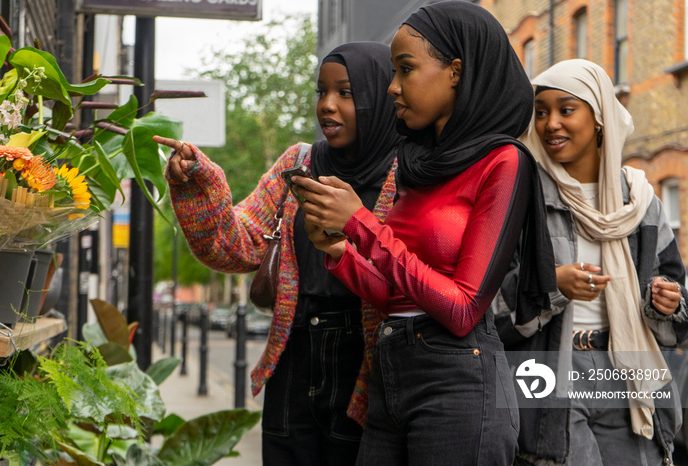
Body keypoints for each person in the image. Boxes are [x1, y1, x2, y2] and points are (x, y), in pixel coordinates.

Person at [291, 2, 557, 465]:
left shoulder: (503, 162)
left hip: (457, 383)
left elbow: (461, 308)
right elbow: (395, 295)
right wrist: (338, 251)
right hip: (391, 369)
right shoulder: (418, 163)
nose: (393, 86)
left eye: (406, 69)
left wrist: (361, 224)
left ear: (456, 71)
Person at [153, 41, 403, 466]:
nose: (327, 105)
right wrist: (199, 183)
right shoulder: (299, 162)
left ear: (380, 96)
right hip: (294, 358)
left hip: (366, 366)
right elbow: (237, 242)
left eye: (345, 93)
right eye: (321, 92)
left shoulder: (409, 174)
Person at [492, 58, 688, 465]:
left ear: (599, 117)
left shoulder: (640, 201)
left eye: (566, 110)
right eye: (541, 112)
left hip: (624, 368)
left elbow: (677, 310)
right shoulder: (521, 197)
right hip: (547, 368)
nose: (550, 124)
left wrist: (665, 302)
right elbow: (488, 310)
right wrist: (553, 284)